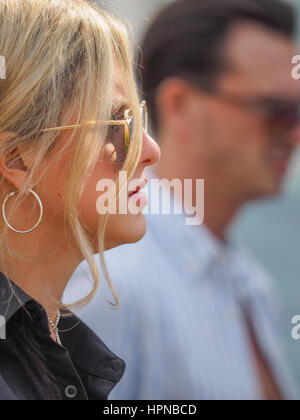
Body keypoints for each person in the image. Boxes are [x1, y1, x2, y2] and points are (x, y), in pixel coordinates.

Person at [66, 0, 300, 400]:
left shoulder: (251, 285)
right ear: (179, 103)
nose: (294, 135)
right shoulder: (110, 285)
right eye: (275, 111)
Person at [0, 0, 160, 400]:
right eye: (118, 125)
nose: (150, 150)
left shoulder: (61, 346)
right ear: (18, 160)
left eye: (139, 120)